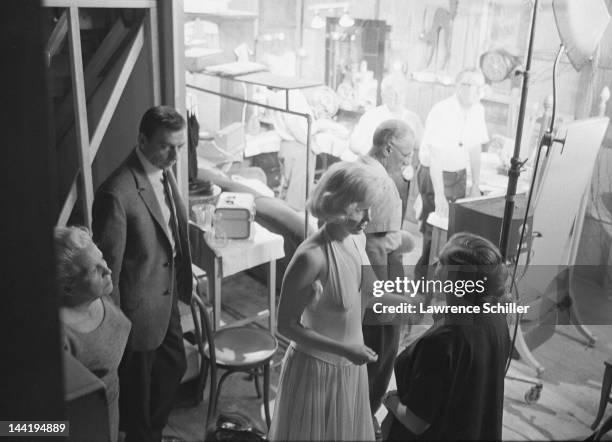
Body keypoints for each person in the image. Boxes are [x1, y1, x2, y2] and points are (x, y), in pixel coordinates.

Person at [92, 105, 193, 442]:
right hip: (137, 315)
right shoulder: (116, 193)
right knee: (141, 400)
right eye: (167, 146)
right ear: (142, 140)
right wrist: (119, 332)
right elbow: (108, 272)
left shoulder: (165, 170)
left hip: (166, 300)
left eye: (180, 146)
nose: (176, 154)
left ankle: (153, 433)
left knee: (174, 367)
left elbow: (171, 234)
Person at [268, 161, 382, 441]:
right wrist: (345, 350)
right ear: (340, 205)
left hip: (351, 371)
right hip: (316, 374)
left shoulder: (357, 240)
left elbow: (370, 292)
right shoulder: (311, 257)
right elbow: (285, 326)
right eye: (361, 209)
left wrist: (414, 304)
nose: (369, 216)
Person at [381, 232, 511, 440]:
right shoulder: (497, 319)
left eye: (441, 261)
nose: (433, 263)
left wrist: (390, 400)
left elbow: (416, 422)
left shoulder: (441, 342)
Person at [358, 119, 416, 425]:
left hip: (364, 285)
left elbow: (383, 238)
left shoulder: (357, 169)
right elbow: (376, 248)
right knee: (378, 363)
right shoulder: (381, 183)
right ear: (388, 146)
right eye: (406, 152)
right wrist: (385, 299)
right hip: (379, 287)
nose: (410, 159)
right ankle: (363, 423)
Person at [55, 226, 131, 442]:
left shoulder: (101, 293)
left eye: (102, 259)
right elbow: (22, 426)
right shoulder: (59, 335)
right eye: (94, 270)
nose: (107, 270)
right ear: (69, 287)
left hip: (111, 407)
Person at [415, 68, 489, 279]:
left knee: (455, 229)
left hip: (458, 173)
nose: (478, 91)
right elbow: (436, 157)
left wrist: (475, 184)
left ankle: (444, 280)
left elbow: (475, 149)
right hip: (435, 173)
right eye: (474, 85)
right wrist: (439, 195)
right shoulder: (442, 111)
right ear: (460, 87)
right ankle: (423, 282)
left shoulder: (478, 110)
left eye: (480, 86)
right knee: (435, 228)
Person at [349, 73, 424, 215]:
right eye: (391, 93)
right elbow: (354, 144)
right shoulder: (371, 116)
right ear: (383, 95)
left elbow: (422, 147)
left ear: (405, 94)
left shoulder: (412, 119)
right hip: (374, 175)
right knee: (373, 218)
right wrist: (374, 159)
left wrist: (411, 165)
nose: (395, 97)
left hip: (400, 178)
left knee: (396, 219)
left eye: (399, 93)